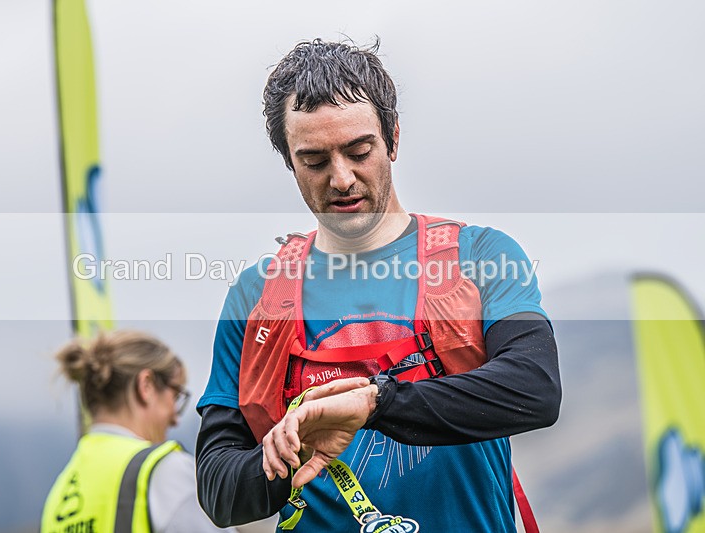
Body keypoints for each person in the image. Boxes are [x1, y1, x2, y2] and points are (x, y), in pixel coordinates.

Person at [196, 38, 561, 532]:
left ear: (392, 139)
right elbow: (219, 493)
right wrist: (291, 454)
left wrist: (374, 402)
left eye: (358, 151)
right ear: (288, 160)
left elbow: (534, 389)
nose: (342, 178)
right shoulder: (255, 296)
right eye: (315, 161)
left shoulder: (480, 256)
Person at [42, 330, 235, 533]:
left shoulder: (59, 495)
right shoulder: (163, 470)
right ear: (146, 386)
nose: (175, 419)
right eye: (176, 396)